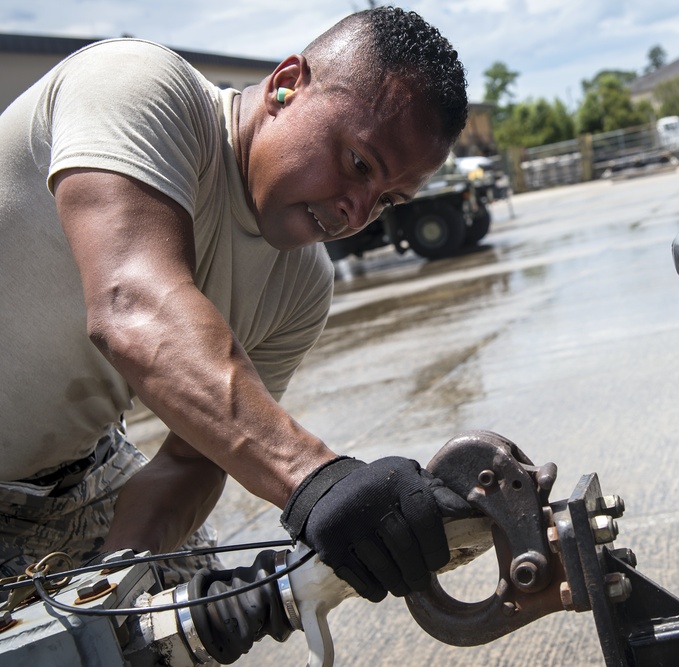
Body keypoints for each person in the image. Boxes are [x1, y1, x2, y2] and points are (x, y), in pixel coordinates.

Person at [0, 6, 471, 602]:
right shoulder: (137, 85)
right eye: (357, 163)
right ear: (286, 85)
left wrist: (111, 597)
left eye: (388, 201)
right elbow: (132, 307)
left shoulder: (302, 287)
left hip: (74, 474)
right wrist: (318, 480)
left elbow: (192, 462)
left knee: (175, 605)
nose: (357, 211)